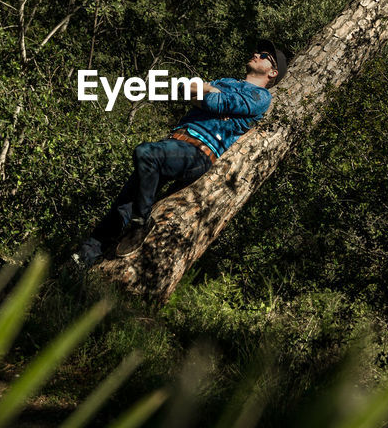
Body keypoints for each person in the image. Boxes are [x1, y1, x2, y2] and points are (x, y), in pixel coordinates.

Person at [77, 40, 288, 264]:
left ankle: (140, 224)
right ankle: (82, 261)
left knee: (146, 153)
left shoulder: (261, 97)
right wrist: (209, 91)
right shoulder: (226, 81)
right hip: (176, 142)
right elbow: (183, 87)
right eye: (259, 51)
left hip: (198, 152)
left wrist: (206, 93)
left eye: (264, 55)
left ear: (273, 72)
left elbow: (215, 102)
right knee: (123, 205)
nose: (257, 54)